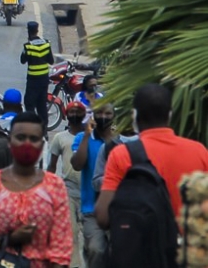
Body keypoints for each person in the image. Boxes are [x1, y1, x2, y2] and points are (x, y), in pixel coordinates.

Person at [0, 112, 73, 268]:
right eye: (20, 138)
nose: (27, 144)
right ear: (9, 142)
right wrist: (9, 239)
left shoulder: (54, 186)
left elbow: (61, 247)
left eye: (34, 139)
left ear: (42, 145)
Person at [97, 84, 208, 223]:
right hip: (188, 242)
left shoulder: (122, 154)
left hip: (139, 242)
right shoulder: (199, 151)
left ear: (135, 115)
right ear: (170, 115)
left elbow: (103, 216)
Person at [71, 101, 117, 268]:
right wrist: (86, 135)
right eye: (99, 113)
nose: (103, 117)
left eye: (108, 114)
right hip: (92, 209)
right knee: (96, 250)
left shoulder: (119, 142)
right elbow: (77, 164)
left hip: (117, 208)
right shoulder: (82, 138)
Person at [48, 101, 86, 268]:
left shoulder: (90, 137)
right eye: (72, 111)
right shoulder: (59, 138)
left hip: (88, 191)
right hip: (67, 190)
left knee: (88, 234)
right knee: (71, 233)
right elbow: (52, 165)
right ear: (66, 115)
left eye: (78, 112)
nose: (75, 115)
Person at [21, 21, 53, 122]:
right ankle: (44, 129)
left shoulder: (28, 46)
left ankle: (33, 123)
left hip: (33, 80)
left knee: (29, 104)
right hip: (44, 79)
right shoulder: (46, 44)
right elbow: (51, 61)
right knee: (41, 104)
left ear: (29, 31)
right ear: (37, 30)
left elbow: (22, 61)